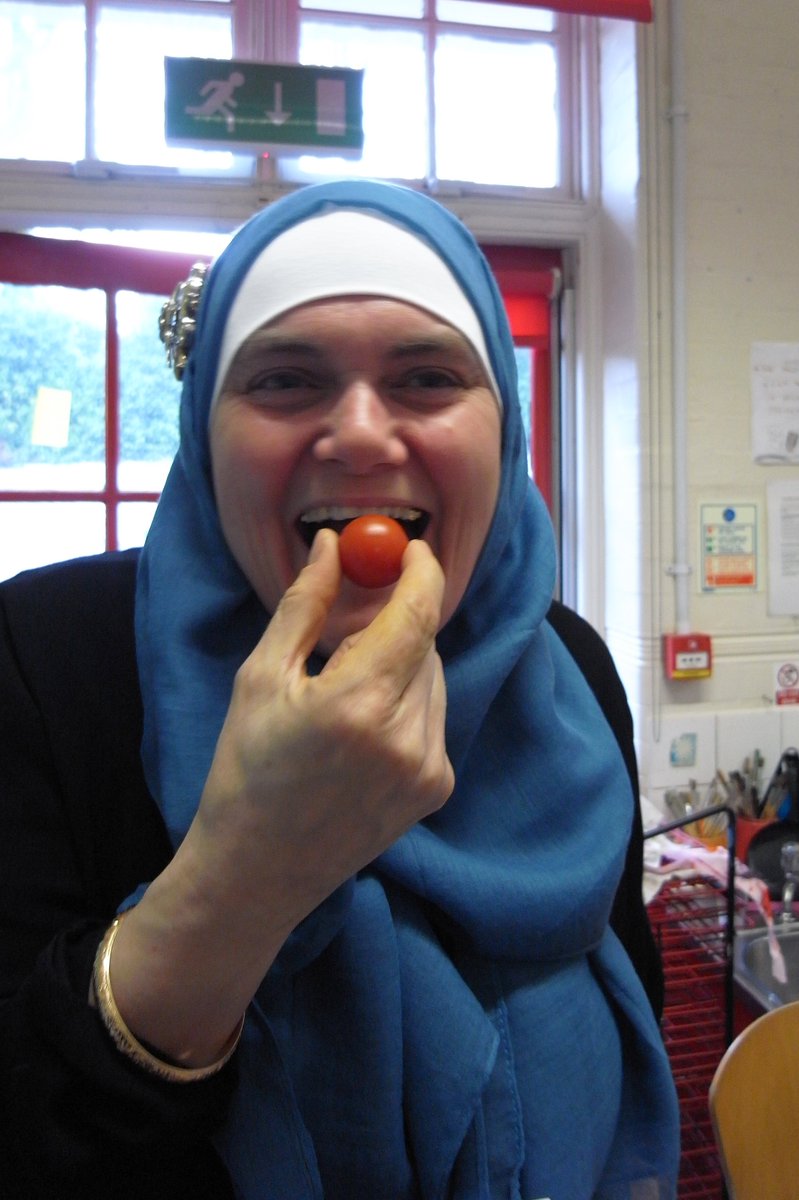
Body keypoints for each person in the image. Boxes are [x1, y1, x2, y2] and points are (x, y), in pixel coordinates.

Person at [0, 179, 680, 1199]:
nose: (361, 436)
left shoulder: (569, 669)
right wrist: (250, 868)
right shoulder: (49, 662)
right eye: (282, 380)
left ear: (505, 429)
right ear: (203, 429)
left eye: (427, 378)